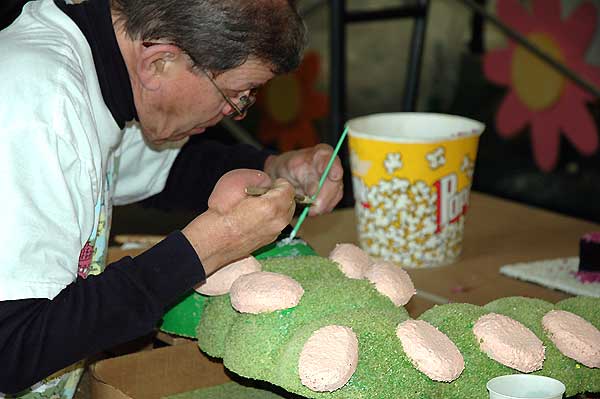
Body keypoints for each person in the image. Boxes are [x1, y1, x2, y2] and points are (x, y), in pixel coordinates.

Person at [0, 0, 344, 396]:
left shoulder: (96, 67)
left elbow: (157, 168)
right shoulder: (37, 107)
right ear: (160, 61)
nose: (233, 112)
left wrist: (274, 167)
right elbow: (11, 348)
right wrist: (212, 245)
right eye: (235, 94)